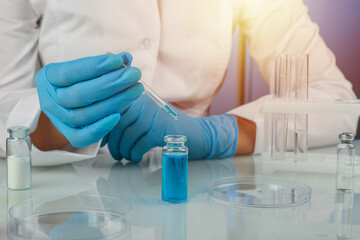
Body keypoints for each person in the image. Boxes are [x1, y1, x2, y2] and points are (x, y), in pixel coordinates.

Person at [0, 0, 357, 166]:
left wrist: (221, 134)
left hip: (198, 179)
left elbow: (337, 102)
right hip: (68, 191)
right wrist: (56, 123)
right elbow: (4, 105)